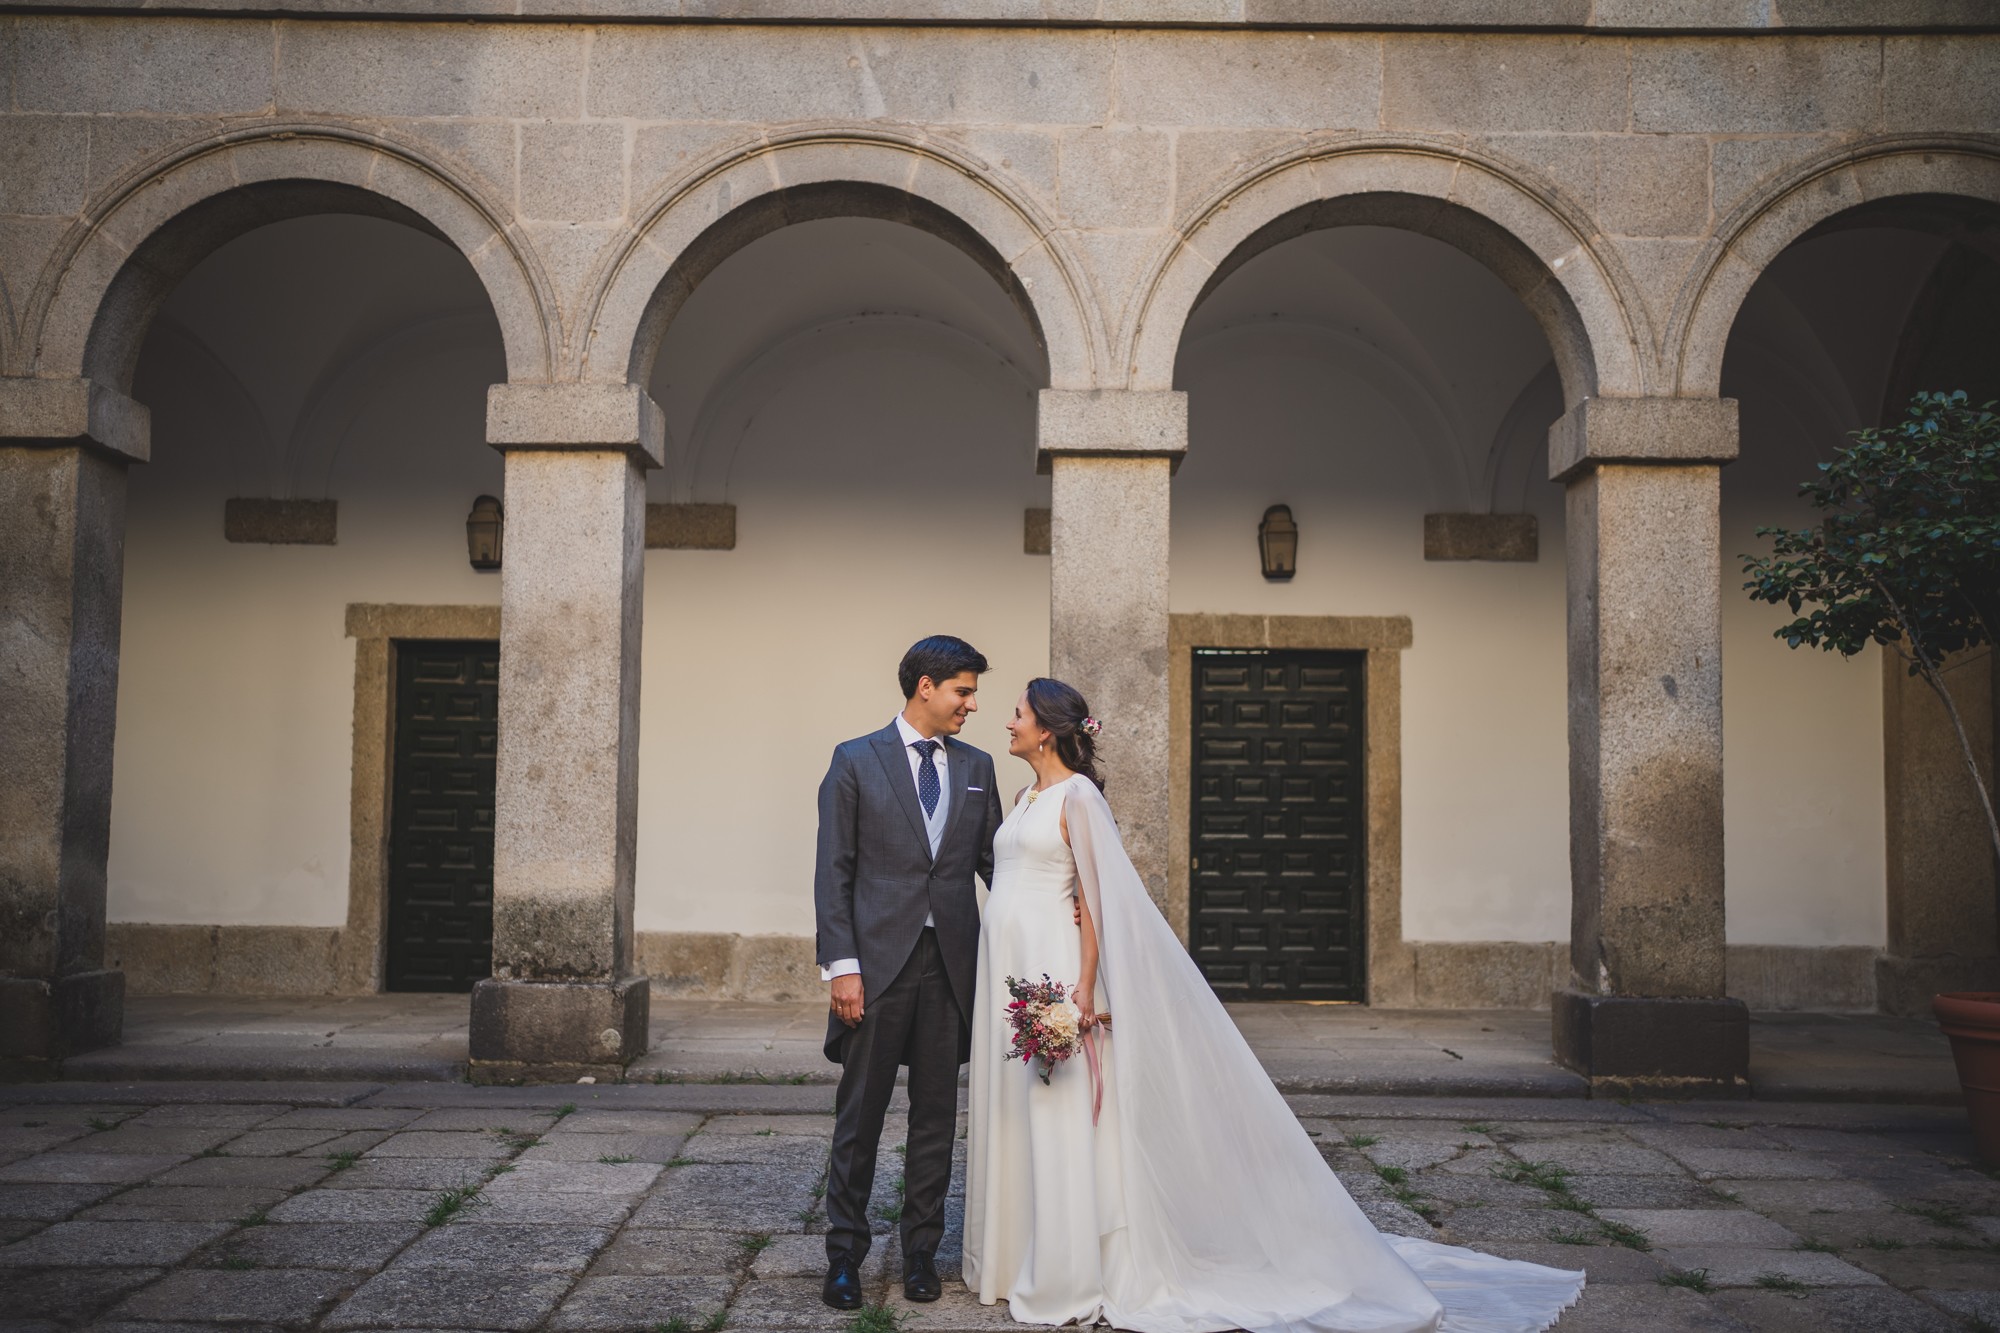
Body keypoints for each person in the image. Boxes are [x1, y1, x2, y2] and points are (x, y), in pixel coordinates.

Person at [965, 678, 1586, 1333]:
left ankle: (1067, 1266)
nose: (1007, 722)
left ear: (1048, 728)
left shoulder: (1079, 797)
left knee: (1058, 1110)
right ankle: (1015, 1255)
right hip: (1008, 972)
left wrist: (1083, 989)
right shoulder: (1022, 795)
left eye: (1018, 713)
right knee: (1016, 1107)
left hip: (1055, 971)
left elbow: (1092, 899)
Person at [813, 635, 1006, 1311]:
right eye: (962, 690)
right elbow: (833, 871)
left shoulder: (979, 767)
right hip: (875, 968)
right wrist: (843, 966)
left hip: (951, 969)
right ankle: (844, 1255)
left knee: (935, 1117)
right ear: (925, 686)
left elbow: (997, 869)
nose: (972, 705)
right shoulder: (855, 761)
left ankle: (922, 1251)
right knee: (859, 1115)